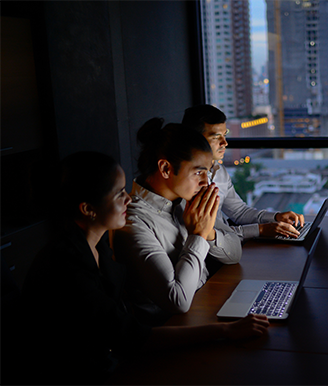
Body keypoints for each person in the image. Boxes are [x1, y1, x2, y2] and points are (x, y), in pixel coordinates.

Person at [19, 151, 268, 384]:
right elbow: (130, 336)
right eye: (118, 194)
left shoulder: (97, 246)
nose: (129, 197)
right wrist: (225, 329)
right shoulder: (67, 266)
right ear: (88, 209)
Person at [113, 119, 243, 325]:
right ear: (165, 168)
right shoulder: (131, 223)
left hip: (205, 308)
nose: (206, 182)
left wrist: (208, 233)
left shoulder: (186, 200)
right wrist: (198, 235)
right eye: (198, 172)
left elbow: (235, 253)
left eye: (207, 172)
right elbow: (178, 301)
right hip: (170, 332)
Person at [182, 104, 305, 240]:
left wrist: (276, 217)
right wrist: (261, 229)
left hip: (229, 246)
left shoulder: (219, 171)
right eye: (216, 137)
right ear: (196, 139)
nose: (225, 143)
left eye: (224, 135)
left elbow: (240, 212)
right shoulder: (186, 182)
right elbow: (212, 234)